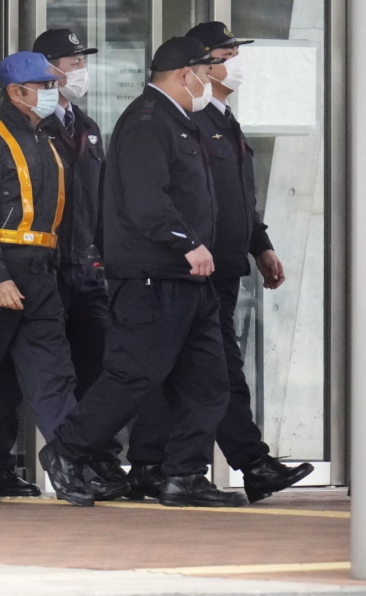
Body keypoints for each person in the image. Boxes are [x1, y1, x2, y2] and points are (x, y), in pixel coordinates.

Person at [39, 36, 246, 508]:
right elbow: (145, 201)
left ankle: (185, 474)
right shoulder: (147, 123)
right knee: (133, 377)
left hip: (189, 281)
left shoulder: (181, 122)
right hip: (154, 278)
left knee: (209, 382)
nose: (209, 81)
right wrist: (187, 242)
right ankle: (67, 452)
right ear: (182, 75)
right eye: (205, 72)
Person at [123, 22, 314, 503]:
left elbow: (235, 200)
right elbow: (178, 199)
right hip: (191, 267)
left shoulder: (222, 118)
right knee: (208, 371)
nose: (233, 63)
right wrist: (190, 246)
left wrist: (260, 244)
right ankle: (232, 463)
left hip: (222, 265)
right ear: (199, 67)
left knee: (198, 370)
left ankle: (161, 462)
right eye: (225, 55)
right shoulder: (189, 120)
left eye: (235, 52)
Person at [0, 51, 123, 500]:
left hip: (41, 275)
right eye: (44, 86)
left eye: (53, 84)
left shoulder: (47, 141)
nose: (53, 91)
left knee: (54, 374)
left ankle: (68, 461)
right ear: (16, 92)